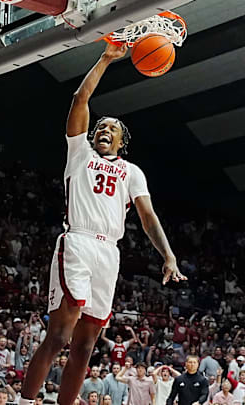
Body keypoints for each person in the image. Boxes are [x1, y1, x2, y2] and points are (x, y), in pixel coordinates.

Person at [19, 40, 186, 405]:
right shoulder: (79, 154)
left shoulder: (132, 172)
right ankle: (26, 401)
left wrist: (169, 256)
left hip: (109, 253)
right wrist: (107, 58)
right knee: (60, 335)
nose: (103, 129)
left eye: (112, 127)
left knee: (86, 344)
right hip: (77, 242)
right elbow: (80, 99)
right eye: (100, 126)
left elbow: (147, 216)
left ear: (123, 141)